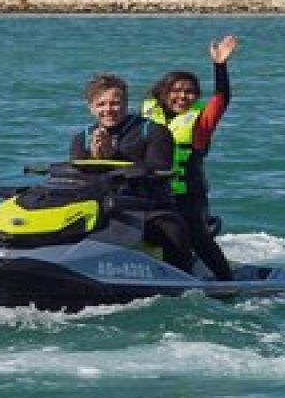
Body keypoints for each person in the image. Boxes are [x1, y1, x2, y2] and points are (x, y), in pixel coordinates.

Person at [68, 72, 192, 270]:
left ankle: (185, 275)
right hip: (100, 208)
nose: (108, 110)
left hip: (148, 207)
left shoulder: (153, 131)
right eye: (101, 104)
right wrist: (94, 158)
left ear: (126, 103)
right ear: (91, 107)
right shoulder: (81, 138)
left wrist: (113, 155)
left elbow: (160, 169)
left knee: (172, 228)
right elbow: (77, 177)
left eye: (115, 103)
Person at [141, 35, 239, 280]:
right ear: (163, 93)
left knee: (196, 236)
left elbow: (222, 98)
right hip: (152, 194)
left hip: (188, 197)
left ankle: (227, 280)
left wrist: (220, 66)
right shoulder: (146, 118)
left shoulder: (200, 122)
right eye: (176, 91)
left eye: (189, 92)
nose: (182, 96)